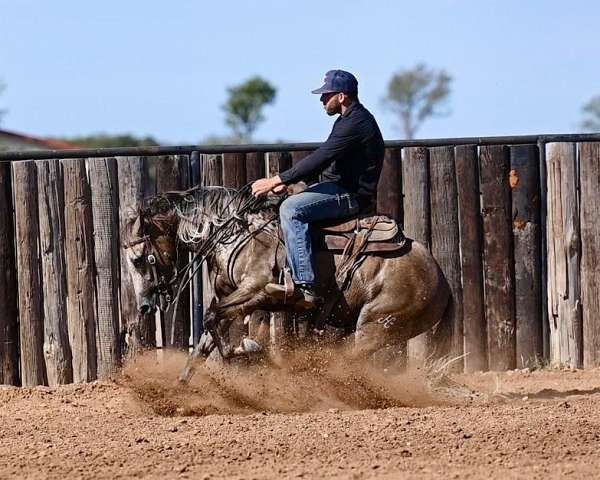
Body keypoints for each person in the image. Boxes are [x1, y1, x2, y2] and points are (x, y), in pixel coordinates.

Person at [251, 69, 385, 307]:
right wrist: (288, 182)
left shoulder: (356, 122)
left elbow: (322, 157)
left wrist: (276, 180)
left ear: (342, 96)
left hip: (350, 196)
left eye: (326, 95)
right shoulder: (348, 120)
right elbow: (326, 161)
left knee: (291, 209)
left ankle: (304, 286)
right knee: (288, 203)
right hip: (339, 189)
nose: (322, 99)